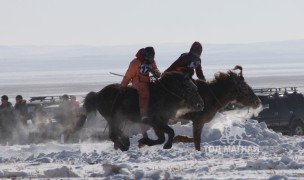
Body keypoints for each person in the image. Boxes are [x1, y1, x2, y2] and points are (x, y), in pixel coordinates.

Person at [121, 47, 161, 121]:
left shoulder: (151, 61)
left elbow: (155, 68)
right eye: (150, 57)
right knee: (144, 92)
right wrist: (123, 85)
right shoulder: (135, 63)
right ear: (146, 55)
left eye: (153, 57)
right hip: (138, 82)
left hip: (147, 81)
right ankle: (143, 114)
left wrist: (156, 72)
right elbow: (128, 75)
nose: (152, 58)